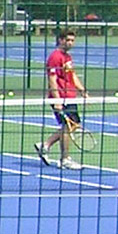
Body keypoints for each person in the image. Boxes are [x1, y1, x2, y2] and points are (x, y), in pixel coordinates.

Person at [37, 29, 87, 168]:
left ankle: (45, 145)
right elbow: (52, 80)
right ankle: (65, 159)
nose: (70, 43)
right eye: (68, 40)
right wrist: (57, 100)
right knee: (67, 127)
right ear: (60, 40)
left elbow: (72, 75)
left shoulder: (68, 57)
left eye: (72, 40)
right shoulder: (55, 57)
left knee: (73, 125)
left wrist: (82, 89)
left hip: (70, 97)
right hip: (61, 97)